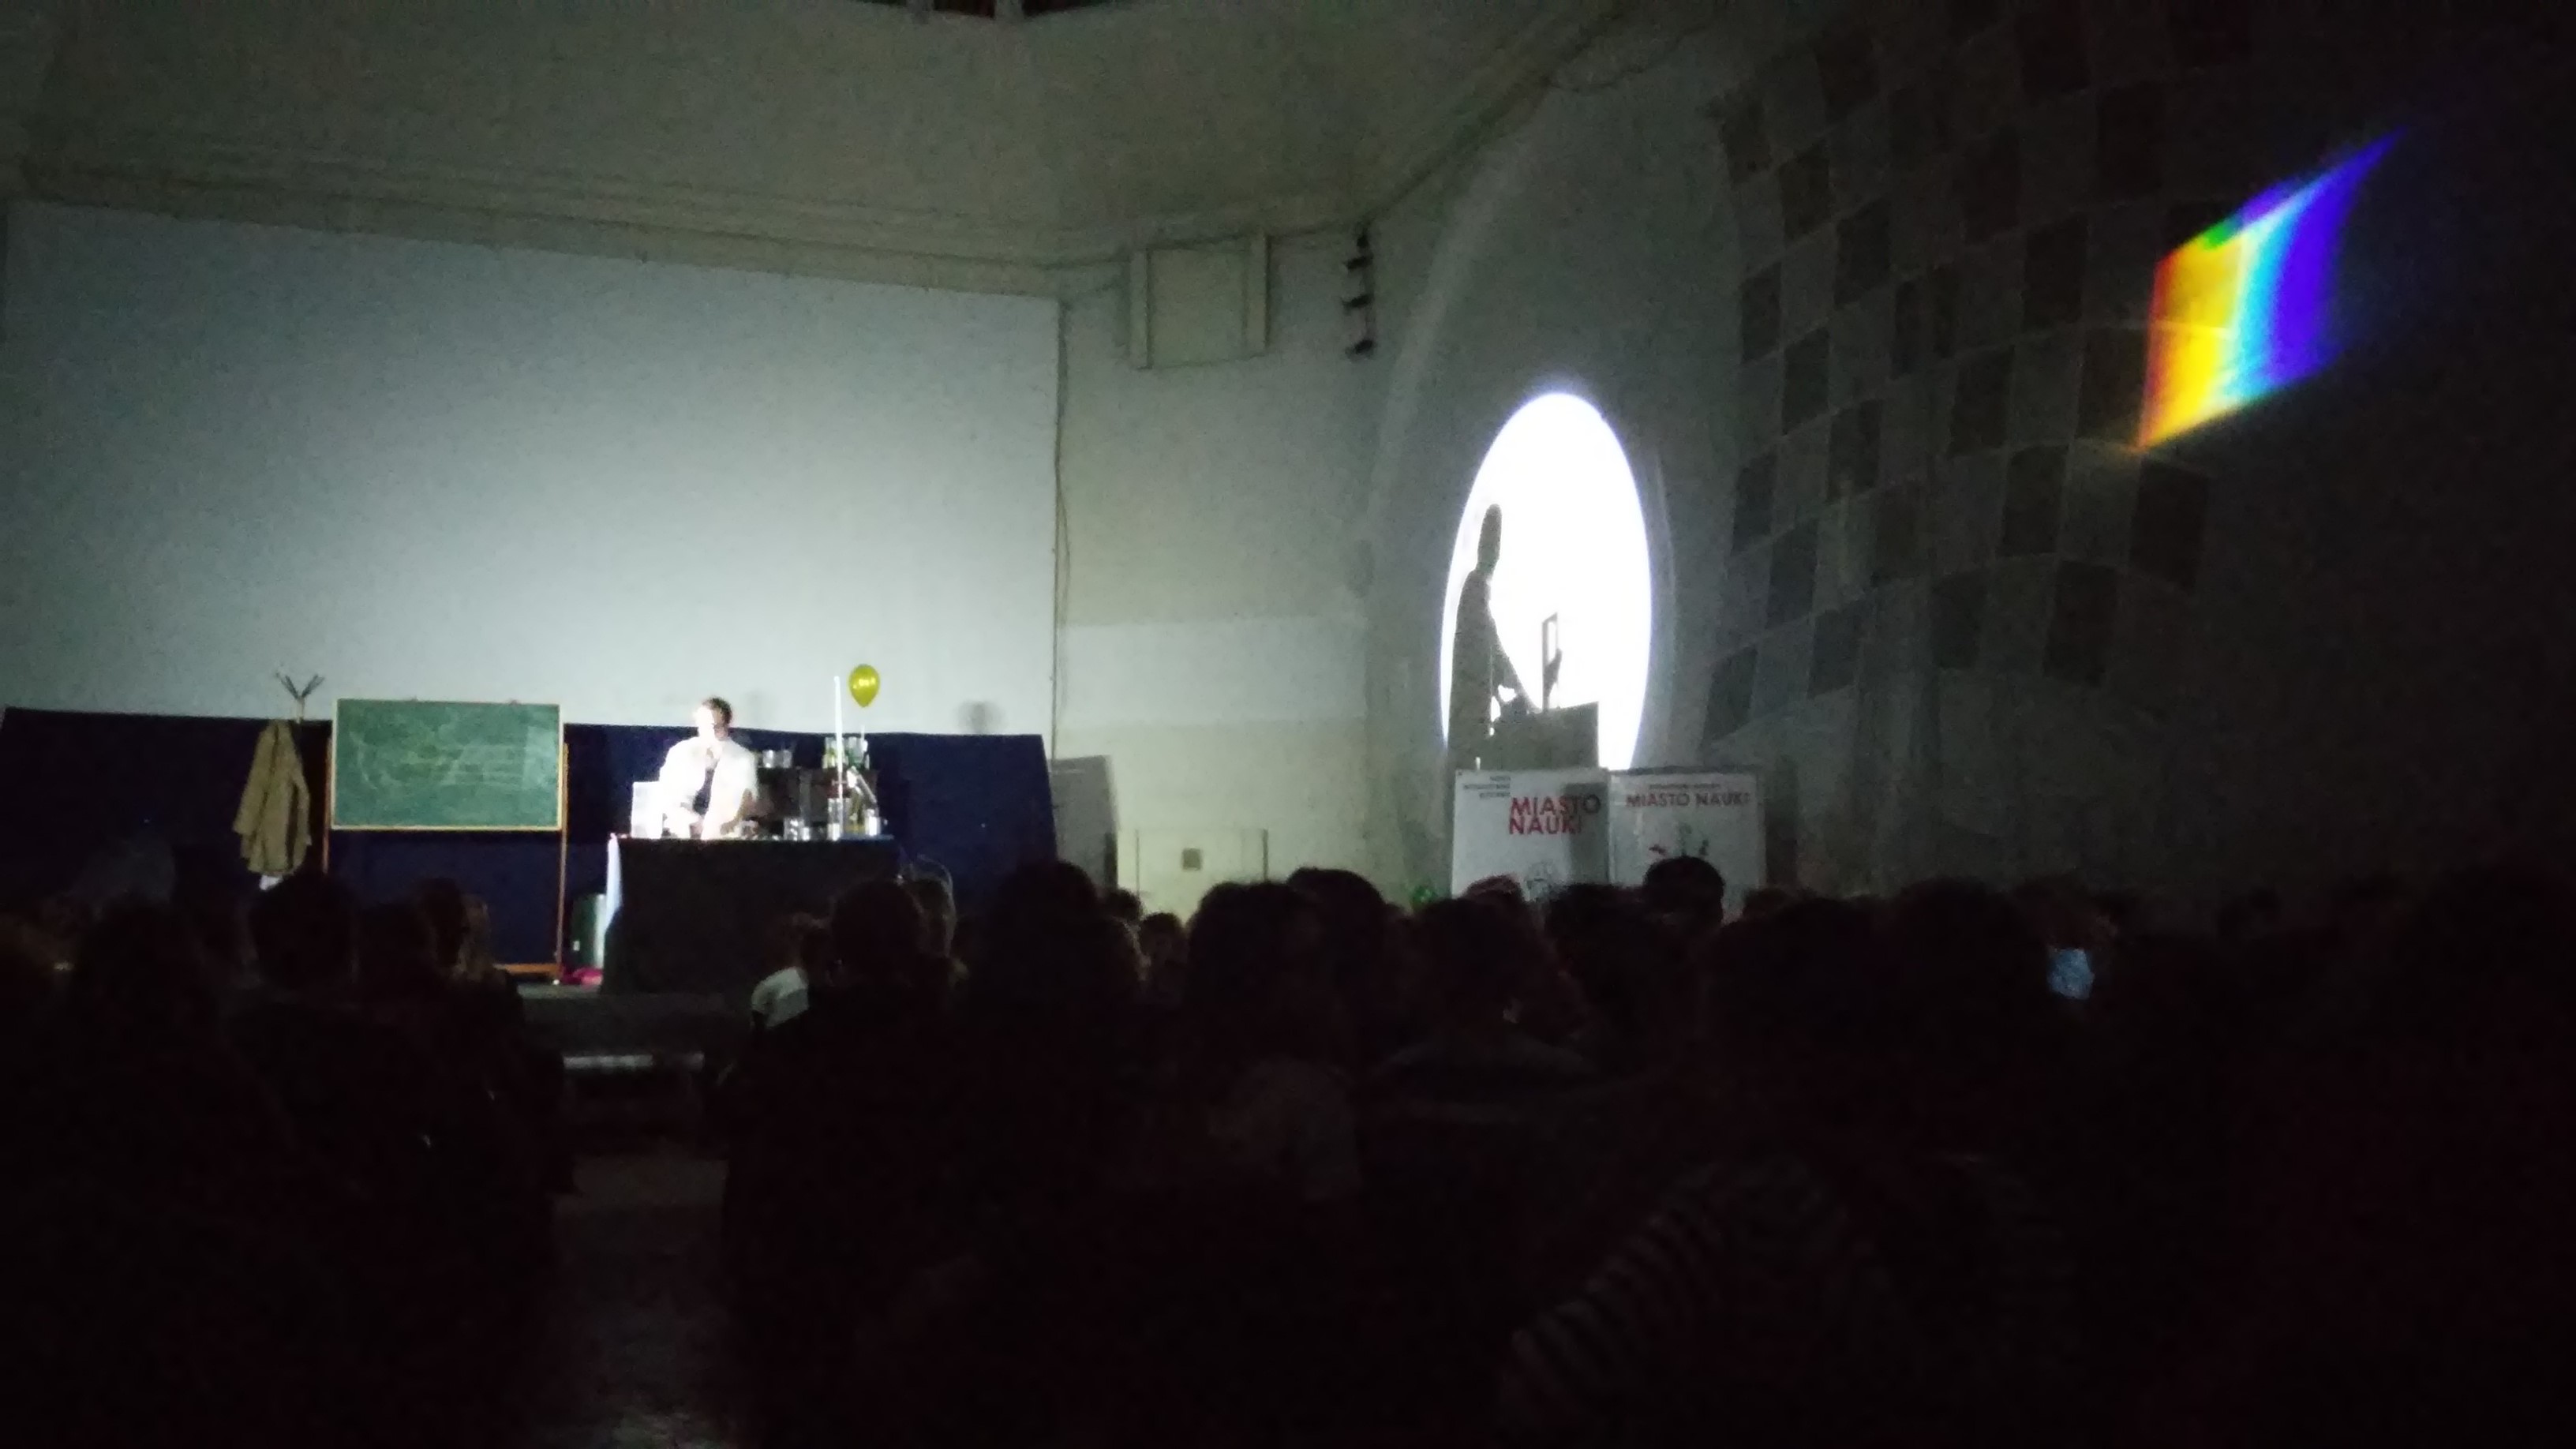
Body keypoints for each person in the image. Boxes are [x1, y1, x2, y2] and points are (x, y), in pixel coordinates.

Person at [1448, 505, 1528, 771]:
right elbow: (1487, 651)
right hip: (1468, 715)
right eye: (1491, 541)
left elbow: (1495, 651)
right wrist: (1513, 689)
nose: (1494, 551)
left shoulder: (1479, 592)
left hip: (1474, 714)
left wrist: (1516, 691)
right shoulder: (1475, 589)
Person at [657, 696, 759, 840]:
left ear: (727, 726)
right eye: (704, 726)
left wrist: (735, 821)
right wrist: (690, 820)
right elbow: (666, 795)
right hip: (681, 834)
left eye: (716, 727)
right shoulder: (680, 752)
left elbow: (748, 796)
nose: (710, 733)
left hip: (724, 837)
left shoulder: (743, 758)